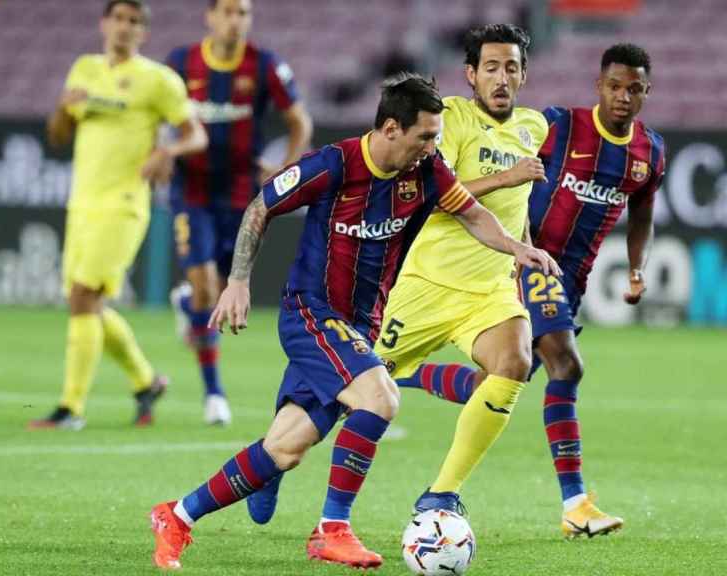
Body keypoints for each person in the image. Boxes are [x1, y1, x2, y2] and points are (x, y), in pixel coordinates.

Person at [148, 73, 559, 570]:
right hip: (311, 313)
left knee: (286, 447)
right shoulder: (334, 165)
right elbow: (261, 207)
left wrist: (519, 247)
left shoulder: (427, 172)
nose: (434, 147)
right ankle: (332, 529)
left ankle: (177, 515)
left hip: (361, 326)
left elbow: (472, 215)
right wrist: (237, 281)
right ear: (390, 128)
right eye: (425, 136)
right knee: (380, 397)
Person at [399, 43, 666, 538]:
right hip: (531, 261)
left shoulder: (649, 152)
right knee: (567, 364)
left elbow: (643, 215)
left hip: (573, 281)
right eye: (614, 86)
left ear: (647, 92)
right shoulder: (558, 126)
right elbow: (498, 158)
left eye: (634, 89)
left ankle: (401, 374)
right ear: (598, 86)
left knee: (500, 382)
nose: (623, 97)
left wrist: (636, 268)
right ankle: (577, 504)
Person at [372, 24, 549, 515]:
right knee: (342, 393)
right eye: (490, 67)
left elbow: (518, 207)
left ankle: (442, 493)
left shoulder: (534, 127)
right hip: (426, 283)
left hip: (488, 289)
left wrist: (524, 251)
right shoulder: (450, 117)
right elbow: (433, 196)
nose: (501, 78)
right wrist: (507, 174)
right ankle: (273, 464)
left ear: (523, 76)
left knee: (514, 362)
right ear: (470, 74)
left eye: (511, 68)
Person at [29, 0, 207, 431]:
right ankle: (146, 382)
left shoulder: (158, 81)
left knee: (84, 296)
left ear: (143, 32)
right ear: (104, 23)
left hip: (124, 204)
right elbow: (58, 134)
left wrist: (167, 150)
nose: (125, 28)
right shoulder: (85, 69)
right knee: (84, 300)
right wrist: (61, 108)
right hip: (82, 203)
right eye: (119, 19)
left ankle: (71, 408)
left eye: (134, 22)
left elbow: (195, 133)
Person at [166, 0, 313, 426]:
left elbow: (299, 121)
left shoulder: (265, 65)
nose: (236, 21)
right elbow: (157, 114)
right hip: (191, 192)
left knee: (213, 290)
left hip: (242, 197)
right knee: (209, 288)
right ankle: (214, 392)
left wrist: (288, 163)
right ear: (210, 16)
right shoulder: (180, 63)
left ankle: (188, 303)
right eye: (228, 11)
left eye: (243, 13)